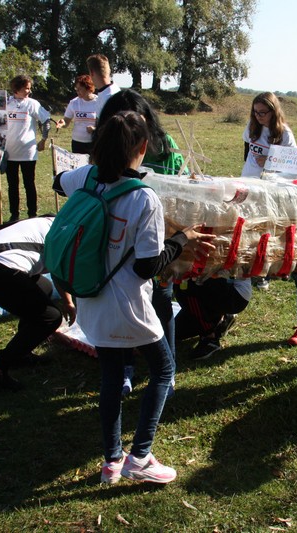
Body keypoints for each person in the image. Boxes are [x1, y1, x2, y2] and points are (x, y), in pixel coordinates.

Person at [56, 111, 214, 484]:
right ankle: (140, 456)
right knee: (163, 369)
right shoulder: (145, 198)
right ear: (142, 148)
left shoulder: (86, 177)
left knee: (111, 375)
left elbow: (56, 180)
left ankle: (112, 459)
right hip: (129, 304)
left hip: (90, 297)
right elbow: (147, 268)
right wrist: (181, 240)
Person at [91, 88, 186, 393]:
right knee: (121, 308)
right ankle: (125, 369)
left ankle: (166, 369)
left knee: (162, 298)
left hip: (159, 233)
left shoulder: (164, 146)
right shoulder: (106, 151)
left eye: (140, 120)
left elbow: (182, 181)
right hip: (116, 241)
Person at [0, 216, 68, 391]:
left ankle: (20, 354)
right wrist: (68, 303)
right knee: (50, 317)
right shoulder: (67, 234)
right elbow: (60, 271)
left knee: (44, 288)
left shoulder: (55, 222)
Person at [242, 92, 296, 290]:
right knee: (249, 227)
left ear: (274, 111)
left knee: (268, 229)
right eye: (255, 112)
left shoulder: (285, 134)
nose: (258, 116)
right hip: (250, 182)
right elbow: (247, 150)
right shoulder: (252, 127)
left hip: (271, 189)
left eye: (263, 112)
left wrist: (270, 160)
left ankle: (266, 271)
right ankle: (249, 268)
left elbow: (293, 163)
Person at [4, 75, 51, 222]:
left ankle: (32, 214)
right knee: (13, 185)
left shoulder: (32, 104)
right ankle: (14, 215)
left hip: (28, 152)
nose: (29, 91)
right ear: (16, 88)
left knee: (29, 183)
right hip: (9, 151)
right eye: (26, 88)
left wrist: (43, 140)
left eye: (30, 88)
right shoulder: (6, 103)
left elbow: (46, 120)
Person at [174, 279, 248, 359]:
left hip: (235, 293)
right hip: (223, 287)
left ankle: (209, 337)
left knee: (185, 285)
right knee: (176, 332)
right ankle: (221, 320)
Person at [56, 75, 101, 155]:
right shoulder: (74, 103)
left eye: (80, 89)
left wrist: (95, 129)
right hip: (77, 143)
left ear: (88, 88)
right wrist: (62, 123)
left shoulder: (99, 102)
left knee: (92, 166)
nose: (77, 91)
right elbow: (66, 121)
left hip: (93, 143)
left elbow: (105, 124)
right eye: (76, 89)